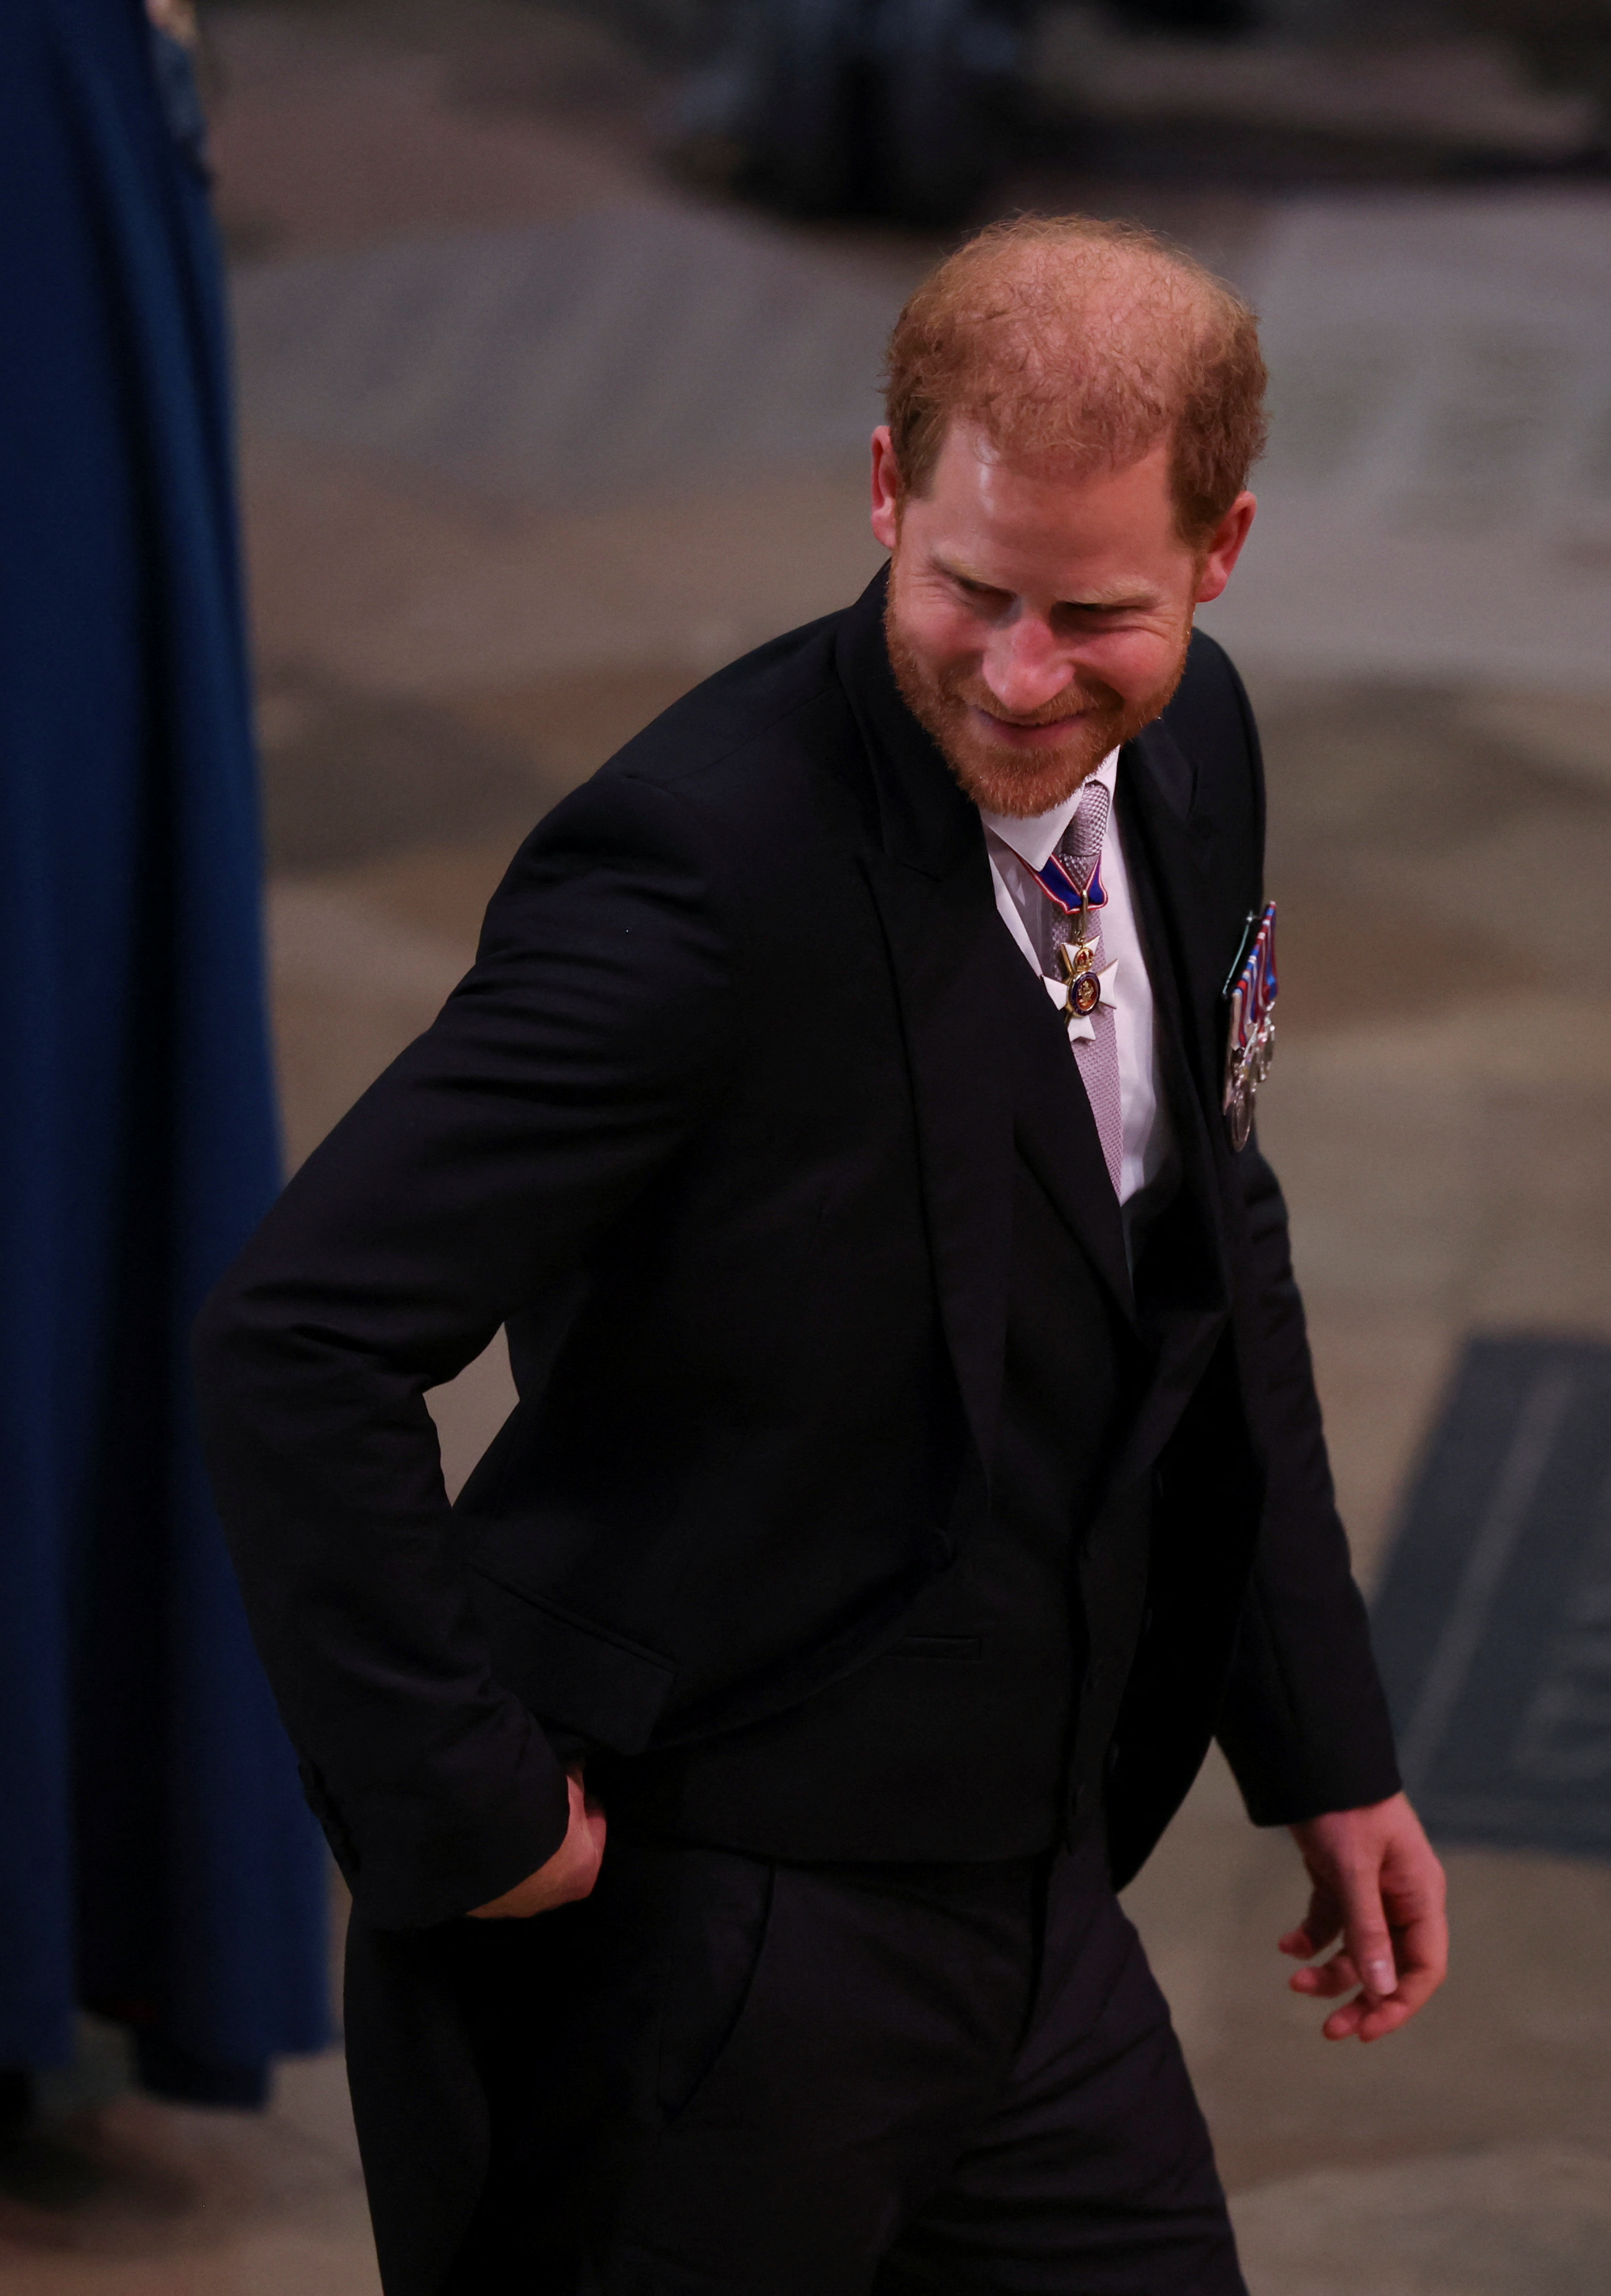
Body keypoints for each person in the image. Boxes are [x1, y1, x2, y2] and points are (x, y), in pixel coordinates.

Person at [198, 214, 1449, 2296]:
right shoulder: (694, 878)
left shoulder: (1195, 749)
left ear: (1220, 553)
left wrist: (1323, 1739)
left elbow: (1214, 1238)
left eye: (1095, 613)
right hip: (705, 1943)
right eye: (967, 588)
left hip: (1038, 1910)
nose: (1024, 675)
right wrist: (470, 1810)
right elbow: (295, 1336)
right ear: (884, 490)